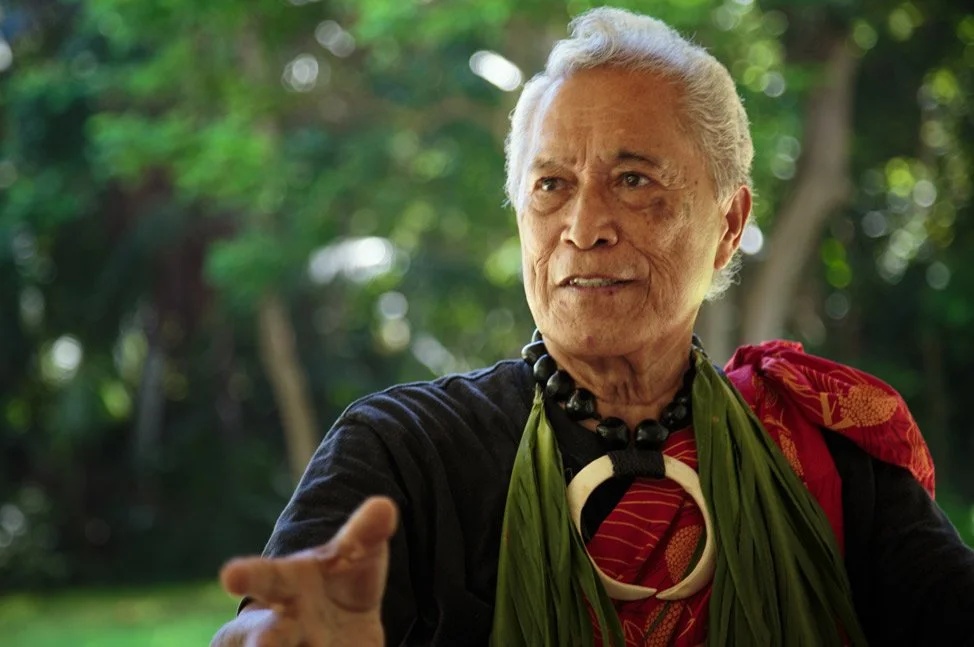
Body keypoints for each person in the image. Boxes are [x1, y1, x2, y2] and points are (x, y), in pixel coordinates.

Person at [211, 7, 974, 647]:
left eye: (634, 180)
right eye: (551, 185)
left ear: (730, 222)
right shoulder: (406, 453)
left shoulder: (821, 453)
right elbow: (271, 624)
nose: (583, 227)